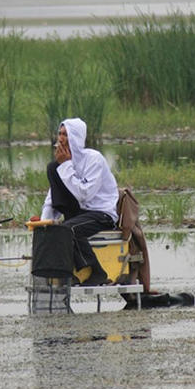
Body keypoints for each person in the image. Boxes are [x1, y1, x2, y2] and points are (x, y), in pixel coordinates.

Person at [40, 118, 119, 286]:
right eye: (60, 134)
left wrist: (66, 165)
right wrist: (44, 222)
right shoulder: (59, 165)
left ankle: (97, 272)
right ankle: (71, 274)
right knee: (52, 168)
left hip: (101, 214)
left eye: (66, 135)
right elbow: (52, 197)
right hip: (79, 214)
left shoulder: (94, 159)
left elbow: (84, 195)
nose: (61, 139)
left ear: (75, 137)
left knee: (68, 230)